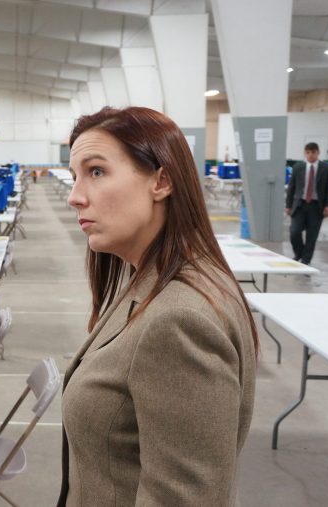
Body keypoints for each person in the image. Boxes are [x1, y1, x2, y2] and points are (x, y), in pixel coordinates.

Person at [58, 107, 258, 506]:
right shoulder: (155, 280)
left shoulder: (179, 319)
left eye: (96, 172)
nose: (75, 197)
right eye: (74, 177)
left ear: (161, 181)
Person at [285, 142, 328, 265]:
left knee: (311, 235)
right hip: (300, 205)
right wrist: (288, 205)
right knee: (294, 232)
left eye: (313, 152)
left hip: (316, 206)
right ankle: (299, 253)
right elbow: (291, 187)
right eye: (308, 152)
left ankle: (306, 260)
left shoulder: (327, 168)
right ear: (305, 153)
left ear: (318, 153)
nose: (310, 155)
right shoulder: (298, 167)